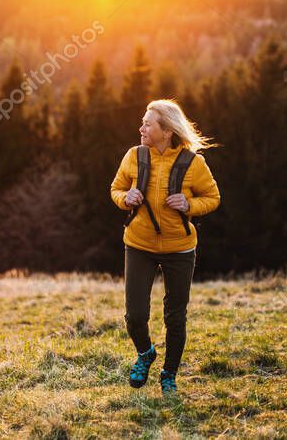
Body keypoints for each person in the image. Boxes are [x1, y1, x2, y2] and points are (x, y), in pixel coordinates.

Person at [110, 99, 221, 394]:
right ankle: (145, 354)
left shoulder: (193, 164)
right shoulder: (134, 156)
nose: (141, 127)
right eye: (143, 121)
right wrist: (125, 198)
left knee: (175, 316)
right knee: (135, 316)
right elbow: (116, 188)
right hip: (139, 244)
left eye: (148, 123)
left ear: (166, 131)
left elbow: (213, 197)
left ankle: (169, 374)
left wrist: (189, 205)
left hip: (180, 249)